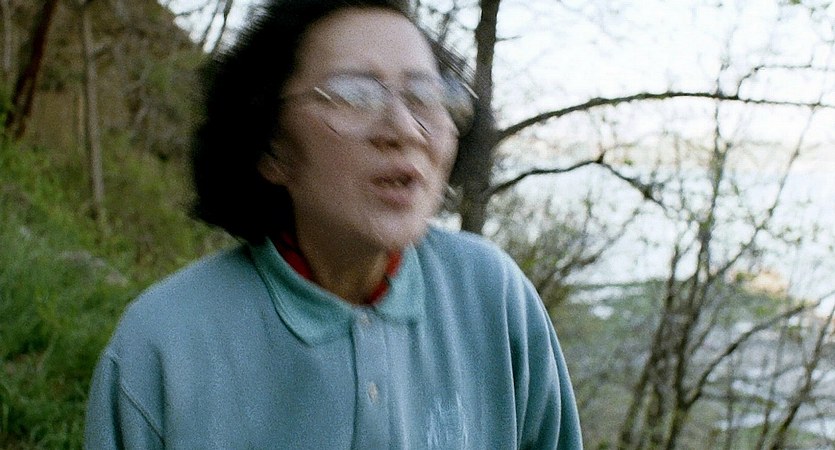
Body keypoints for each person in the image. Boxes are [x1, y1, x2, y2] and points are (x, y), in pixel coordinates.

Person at [83, 0, 582, 448]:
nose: (404, 129)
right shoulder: (163, 346)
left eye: (425, 95)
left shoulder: (494, 299)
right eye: (353, 95)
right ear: (272, 147)